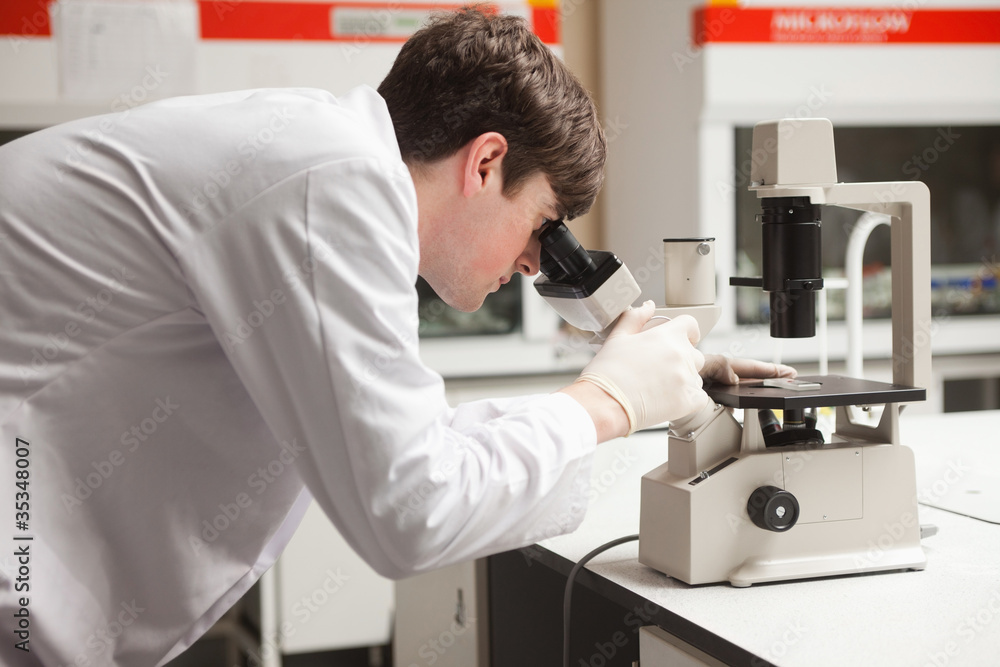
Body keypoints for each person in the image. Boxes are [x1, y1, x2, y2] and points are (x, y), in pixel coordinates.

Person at [0, 8, 793, 665]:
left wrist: (646, 385)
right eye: (542, 226)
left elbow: (411, 446)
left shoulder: (325, 157)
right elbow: (410, 510)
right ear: (486, 162)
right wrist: (607, 399)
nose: (530, 264)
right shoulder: (335, 182)